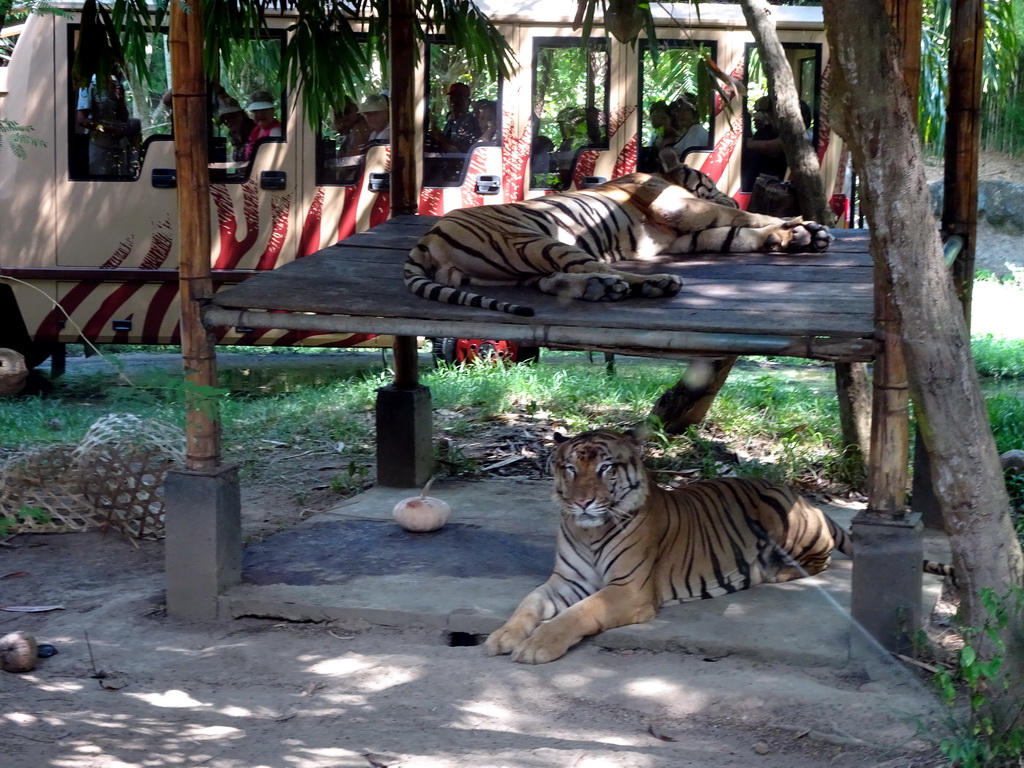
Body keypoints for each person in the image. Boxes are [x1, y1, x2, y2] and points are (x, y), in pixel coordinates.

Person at [76, 73, 133, 176]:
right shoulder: (89, 83)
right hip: (99, 146)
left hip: (119, 146)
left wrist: (121, 99)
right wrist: (109, 130)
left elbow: (124, 117)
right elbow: (82, 120)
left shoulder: (115, 82)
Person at [429, 82, 481, 154]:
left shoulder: (471, 123)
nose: (454, 102)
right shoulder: (451, 122)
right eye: (452, 98)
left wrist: (439, 136)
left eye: (459, 98)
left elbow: (458, 153)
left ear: (468, 102)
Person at [216, 95, 256, 162]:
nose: (229, 122)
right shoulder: (233, 135)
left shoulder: (255, 131)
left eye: (232, 117)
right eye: (225, 120)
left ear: (241, 115)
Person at [244, 90, 282, 159]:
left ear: (272, 110)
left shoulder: (276, 132)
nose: (260, 114)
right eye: (255, 110)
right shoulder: (256, 130)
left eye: (264, 109)